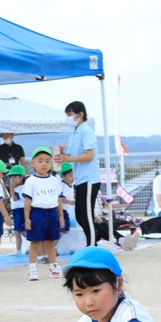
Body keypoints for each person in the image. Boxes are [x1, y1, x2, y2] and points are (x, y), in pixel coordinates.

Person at [55, 101, 101, 246]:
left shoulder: (87, 131)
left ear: (80, 114)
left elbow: (89, 155)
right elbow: (74, 155)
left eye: (70, 114)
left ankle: (92, 247)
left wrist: (67, 158)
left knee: (86, 216)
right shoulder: (75, 133)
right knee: (81, 216)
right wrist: (64, 154)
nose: (69, 118)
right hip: (80, 179)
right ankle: (93, 244)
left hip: (89, 179)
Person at [22, 149, 66, 281]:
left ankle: (54, 267)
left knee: (51, 242)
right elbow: (27, 201)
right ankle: (32, 269)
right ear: (33, 163)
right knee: (35, 242)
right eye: (40, 161)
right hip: (37, 213)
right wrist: (27, 218)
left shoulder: (54, 180)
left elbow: (58, 199)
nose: (44, 164)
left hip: (52, 213)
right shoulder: (30, 181)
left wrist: (61, 216)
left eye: (47, 161)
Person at [7, 165, 27, 255]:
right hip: (16, 210)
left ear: (21, 177)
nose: (12, 179)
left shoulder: (23, 188)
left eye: (15, 176)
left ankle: (37, 244)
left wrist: (11, 187)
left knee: (23, 231)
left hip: (21, 210)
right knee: (16, 231)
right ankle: (18, 249)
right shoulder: (16, 188)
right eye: (11, 176)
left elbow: (15, 198)